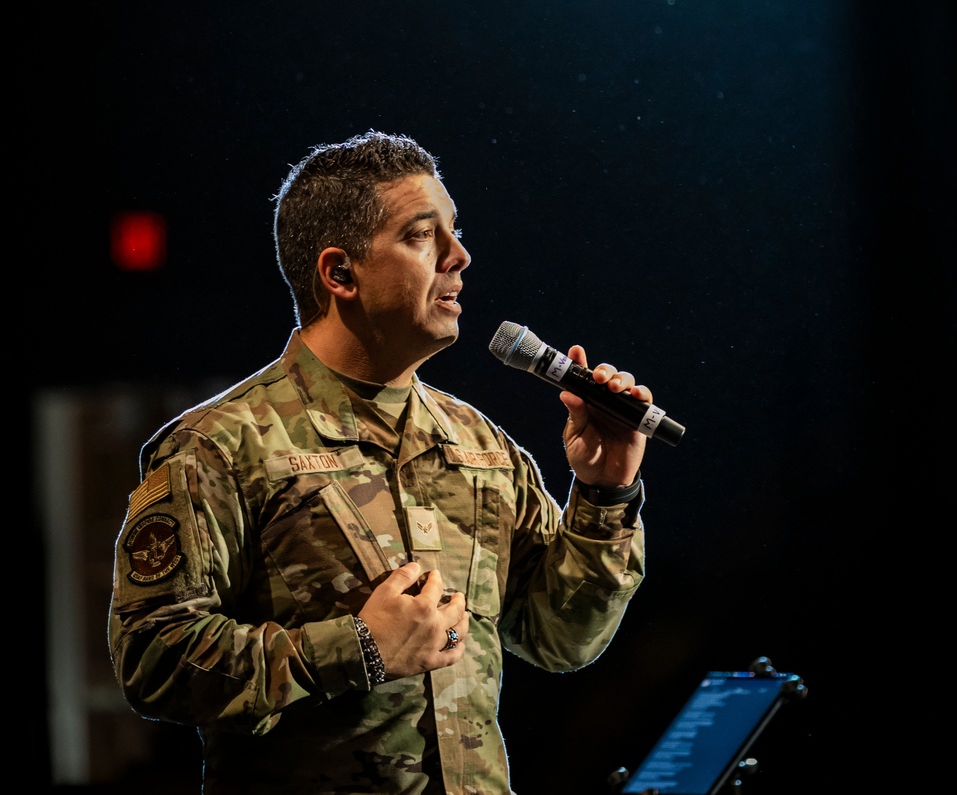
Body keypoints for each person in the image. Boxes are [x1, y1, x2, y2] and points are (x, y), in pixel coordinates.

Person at [110, 131, 653, 794]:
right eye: (424, 237)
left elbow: (562, 639)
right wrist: (356, 649)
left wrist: (603, 494)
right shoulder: (221, 445)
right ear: (340, 273)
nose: (460, 256)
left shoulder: (480, 445)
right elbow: (153, 660)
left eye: (454, 233)